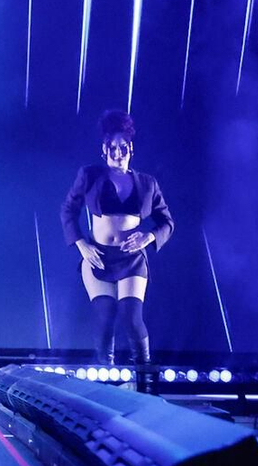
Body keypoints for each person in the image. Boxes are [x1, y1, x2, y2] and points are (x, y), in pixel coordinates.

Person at [61, 110, 174, 387]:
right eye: (113, 148)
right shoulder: (89, 175)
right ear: (104, 149)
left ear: (131, 149)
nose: (118, 153)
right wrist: (82, 245)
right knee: (104, 317)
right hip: (97, 258)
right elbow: (68, 210)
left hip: (132, 260)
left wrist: (148, 238)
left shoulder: (147, 183)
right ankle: (105, 384)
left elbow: (166, 222)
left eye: (123, 148)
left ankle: (146, 381)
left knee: (132, 317)